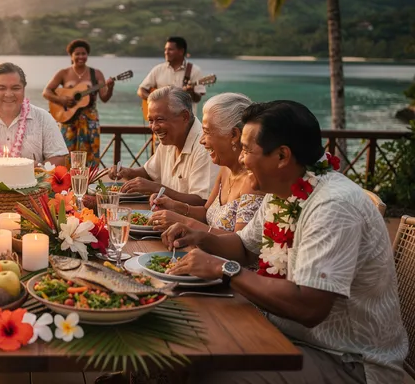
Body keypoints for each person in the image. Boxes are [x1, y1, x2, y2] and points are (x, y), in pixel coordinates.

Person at [161, 100, 407, 384]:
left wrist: (223, 269)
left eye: (246, 150)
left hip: (348, 360)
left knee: (213, 371)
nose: (240, 159)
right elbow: (243, 246)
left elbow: (309, 307)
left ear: (281, 156)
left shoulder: (333, 205)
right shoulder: (283, 191)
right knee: (189, 335)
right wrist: (200, 237)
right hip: (289, 335)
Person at [147, 92, 263, 233]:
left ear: (234, 135)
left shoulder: (253, 182)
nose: (201, 140)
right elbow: (206, 213)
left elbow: (240, 243)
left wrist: (184, 221)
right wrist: (173, 206)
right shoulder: (225, 170)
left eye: (207, 132)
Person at [111, 87, 219, 207]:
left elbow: (202, 202)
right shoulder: (169, 138)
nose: (154, 127)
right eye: (151, 120)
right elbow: (149, 173)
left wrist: (156, 188)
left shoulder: (204, 146)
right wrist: (127, 172)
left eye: (160, 119)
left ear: (184, 117)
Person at [43, 39, 115, 167]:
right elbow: (46, 92)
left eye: (84, 53)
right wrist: (62, 100)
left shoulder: (96, 74)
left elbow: (104, 98)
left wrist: (110, 87)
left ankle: (89, 184)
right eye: (77, 53)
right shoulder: (63, 73)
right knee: (66, 155)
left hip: (90, 122)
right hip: (68, 121)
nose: (81, 56)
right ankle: (67, 185)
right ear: (71, 55)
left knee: (91, 156)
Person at [137, 36, 204, 107]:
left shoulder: (194, 70)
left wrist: (191, 92)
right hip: (160, 115)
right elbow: (141, 90)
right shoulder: (158, 69)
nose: (166, 52)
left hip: (185, 116)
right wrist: (155, 100)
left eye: (170, 50)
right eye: (165, 49)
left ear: (181, 51)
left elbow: (197, 99)